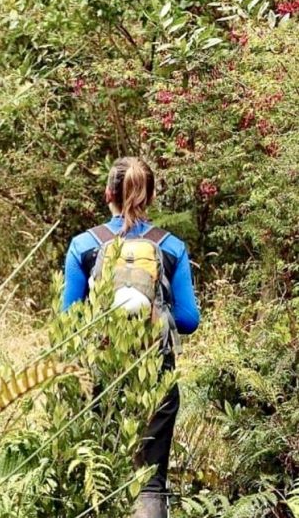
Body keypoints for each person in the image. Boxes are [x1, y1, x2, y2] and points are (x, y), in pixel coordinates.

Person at [61, 156, 200, 518]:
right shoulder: (171, 247)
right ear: (149, 197)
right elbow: (188, 320)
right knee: (150, 481)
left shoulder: (83, 246)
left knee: (98, 475)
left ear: (109, 194)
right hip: (155, 377)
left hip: (98, 378)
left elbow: (69, 319)